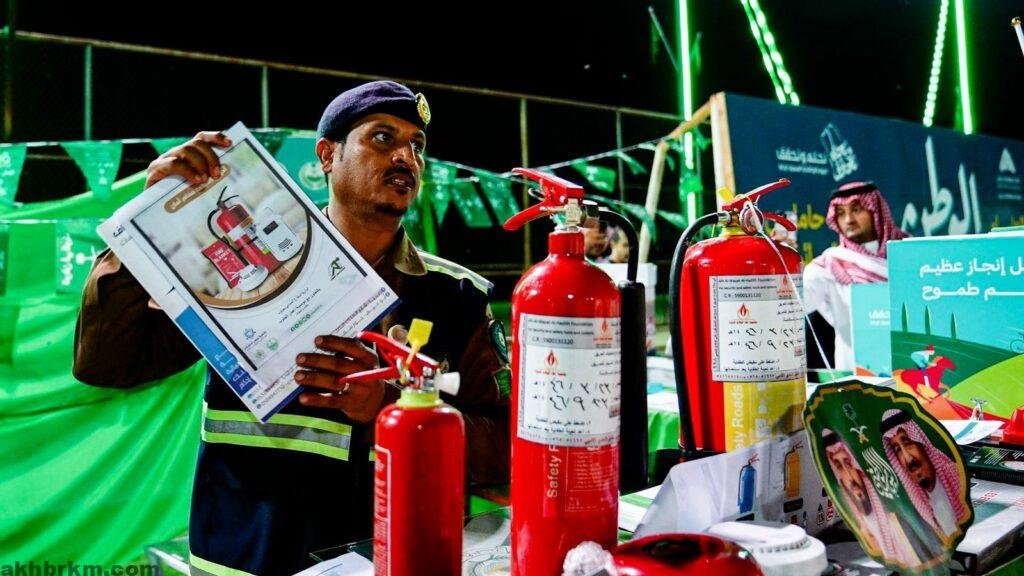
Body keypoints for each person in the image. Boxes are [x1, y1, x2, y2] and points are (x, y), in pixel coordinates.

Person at [73, 80, 511, 576]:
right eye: (382, 138)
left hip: (391, 563)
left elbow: (506, 448)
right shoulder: (241, 271)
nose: (405, 157)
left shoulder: (458, 295)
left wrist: (389, 407)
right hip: (239, 564)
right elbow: (105, 364)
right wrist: (147, 222)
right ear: (327, 155)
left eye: (417, 146)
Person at [804, 181, 909, 370]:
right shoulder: (828, 266)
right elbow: (798, 305)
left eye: (856, 210)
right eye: (841, 213)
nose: (848, 220)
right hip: (858, 373)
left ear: (875, 210)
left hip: (909, 367)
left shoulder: (910, 255)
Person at [822, 429, 934, 568]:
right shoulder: (852, 528)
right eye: (839, 467)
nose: (850, 478)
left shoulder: (896, 521)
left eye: (849, 464)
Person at [880, 408, 968, 541]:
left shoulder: (958, 477)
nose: (908, 458)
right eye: (898, 450)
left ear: (921, 444)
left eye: (908, 443)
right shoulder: (915, 505)